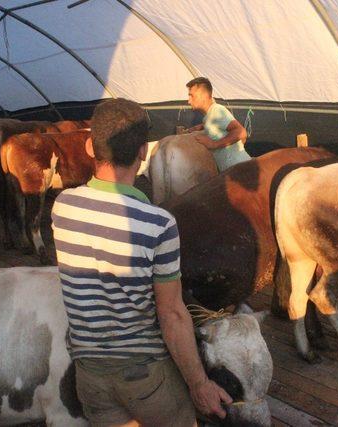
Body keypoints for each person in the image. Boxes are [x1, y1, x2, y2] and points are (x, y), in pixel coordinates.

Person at [51, 98, 232, 426]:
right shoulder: (158, 224)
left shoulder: (63, 207)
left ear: (90, 147)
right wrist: (200, 385)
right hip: (144, 376)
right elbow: (173, 314)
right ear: (142, 153)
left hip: (89, 377)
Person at [185, 77, 250, 172]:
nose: (189, 101)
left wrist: (214, 144)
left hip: (241, 171)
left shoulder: (217, 110)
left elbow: (241, 132)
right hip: (232, 171)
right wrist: (200, 127)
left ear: (204, 95)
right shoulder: (209, 115)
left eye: (192, 96)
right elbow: (217, 125)